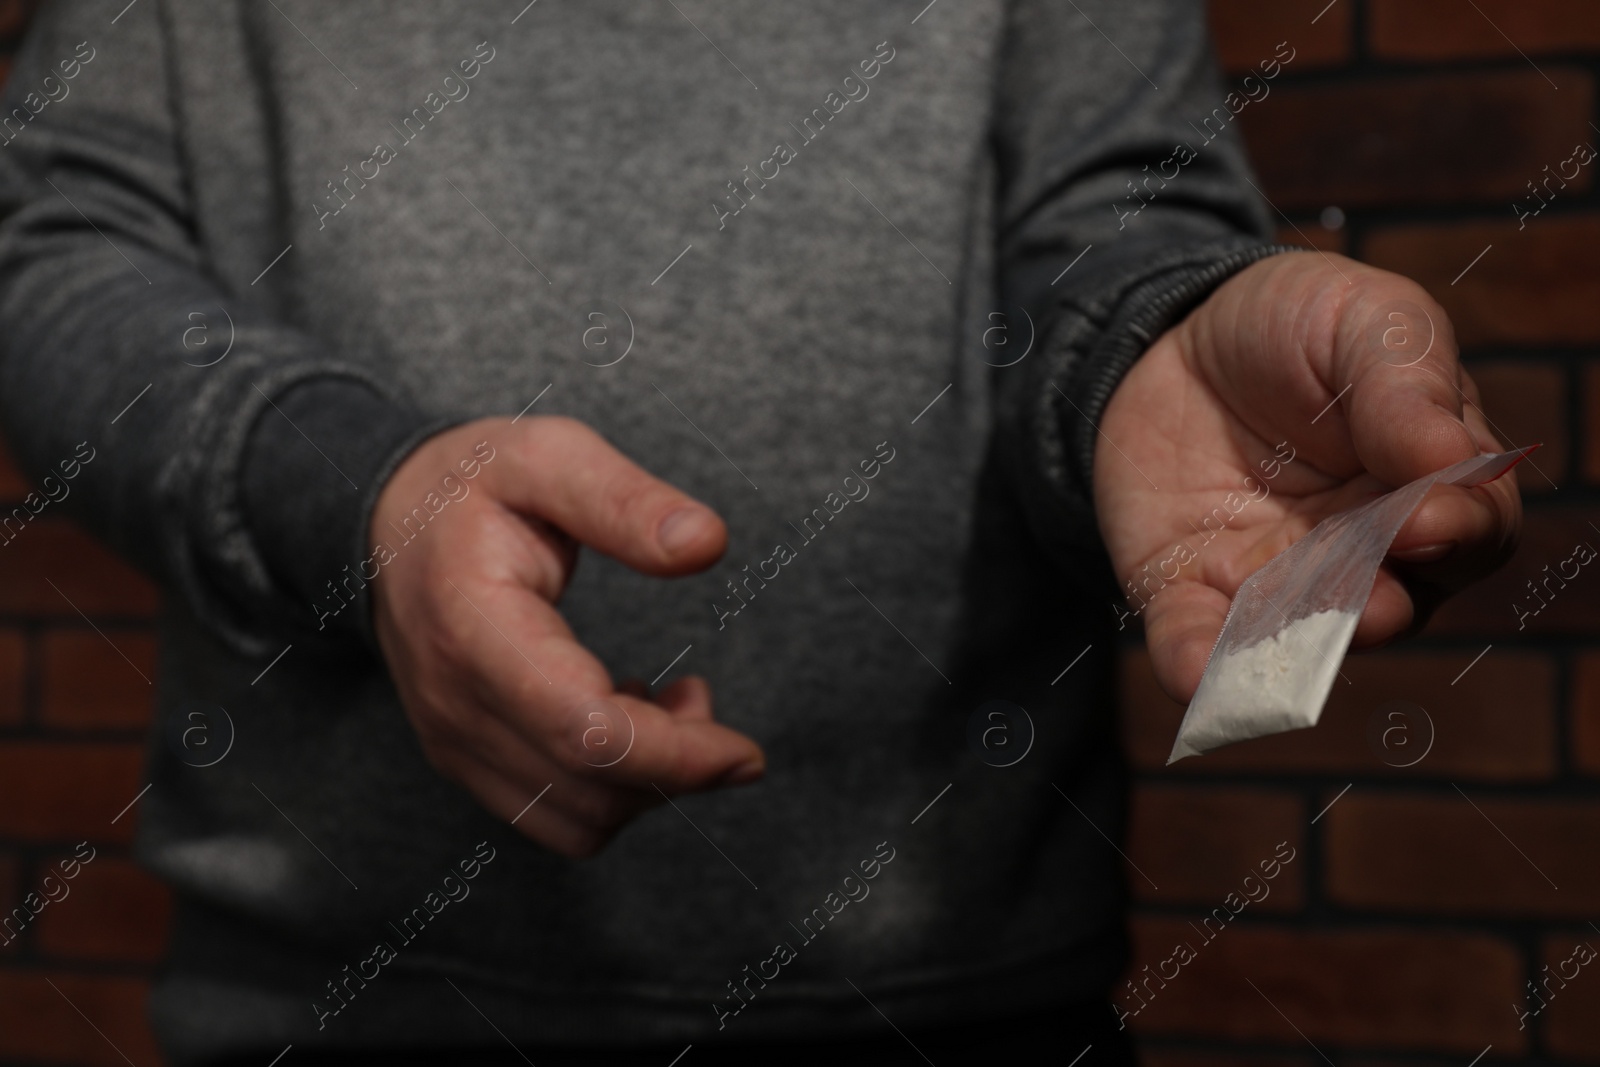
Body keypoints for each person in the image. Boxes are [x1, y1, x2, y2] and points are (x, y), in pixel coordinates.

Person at [0, 2, 1519, 1064]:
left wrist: (1151, 344)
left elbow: (1113, 208)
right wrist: (351, 491)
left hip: (958, 987)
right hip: (336, 998)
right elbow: (59, 238)